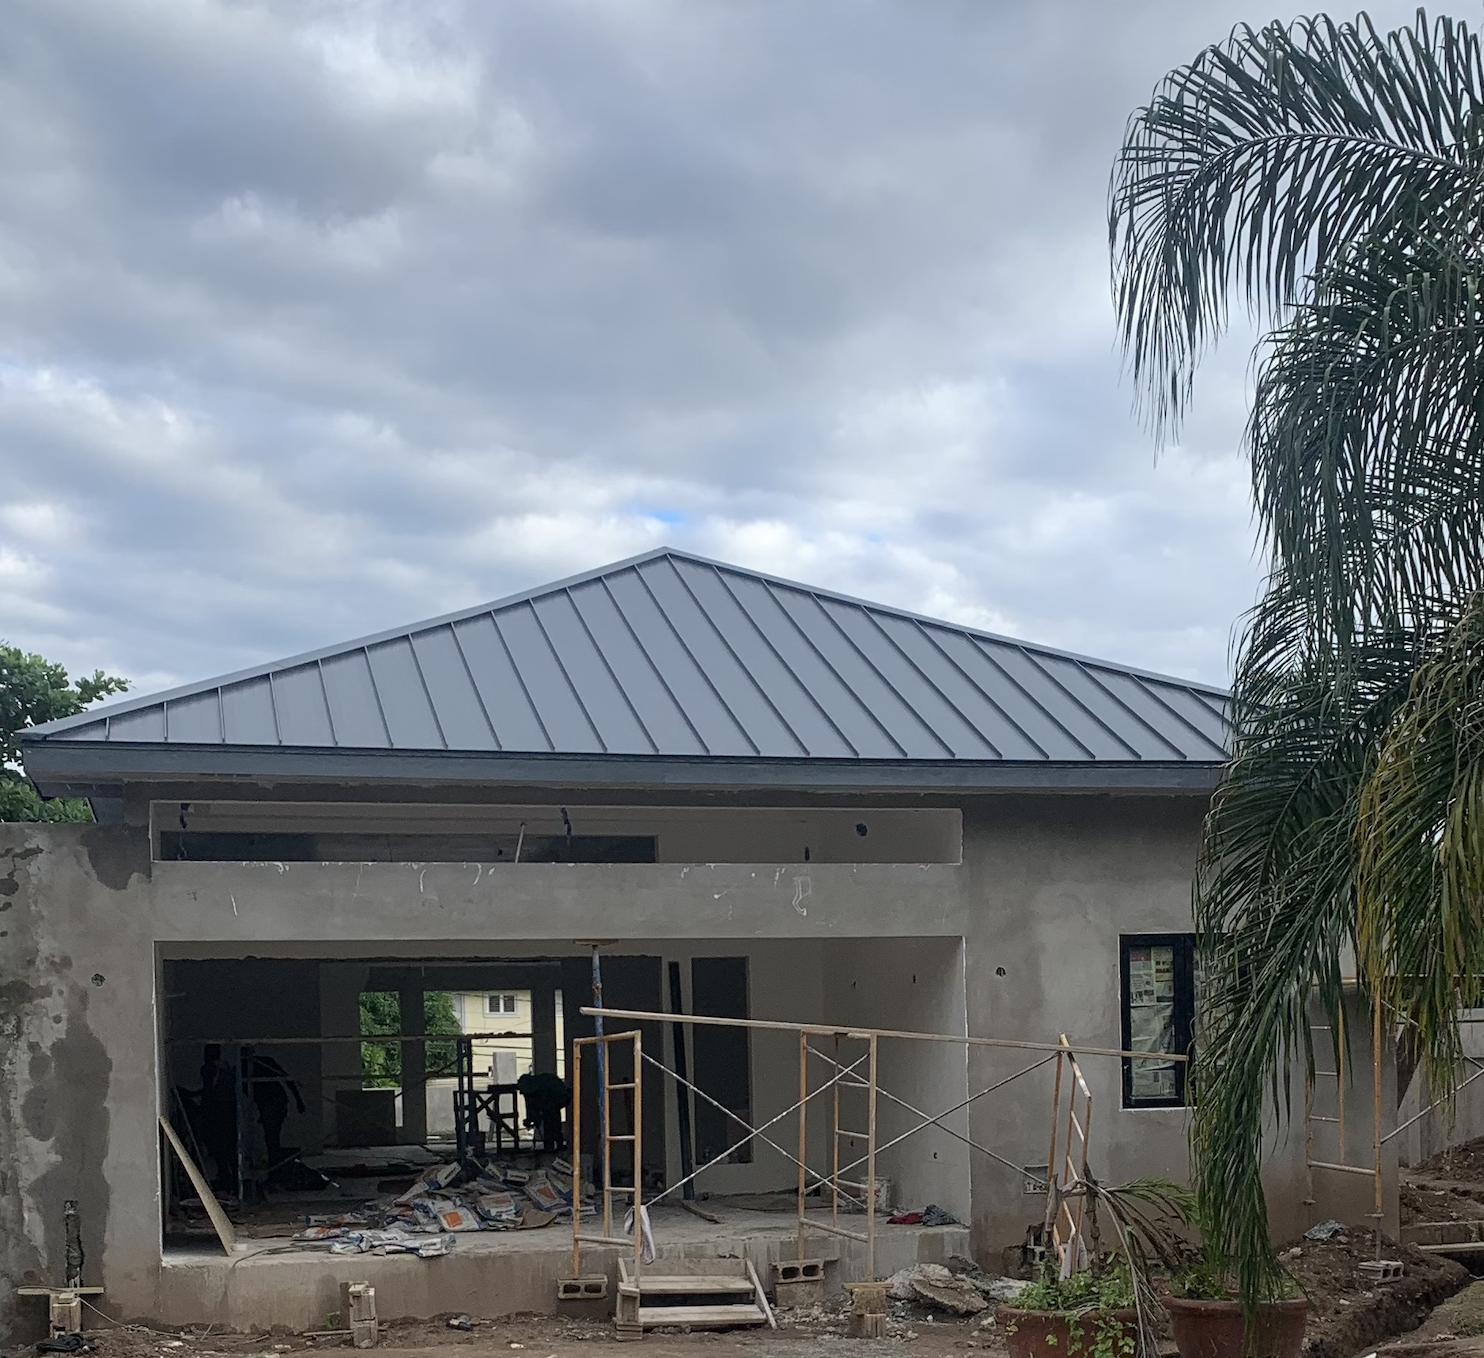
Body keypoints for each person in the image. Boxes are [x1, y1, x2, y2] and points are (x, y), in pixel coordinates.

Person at [242, 1047, 305, 1168]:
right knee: (270, 1136)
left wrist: (298, 1100)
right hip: (269, 1103)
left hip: (275, 1102)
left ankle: (275, 1165)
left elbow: (286, 1078)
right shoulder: (242, 1068)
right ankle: (274, 1164)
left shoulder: (263, 1062)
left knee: (272, 1136)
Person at [198, 1044, 239, 1190]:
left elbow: (209, 1089)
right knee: (229, 1149)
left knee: (220, 1149)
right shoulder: (225, 1068)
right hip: (228, 1112)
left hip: (216, 1113)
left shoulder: (210, 1068)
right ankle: (233, 1181)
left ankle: (228, 1181)